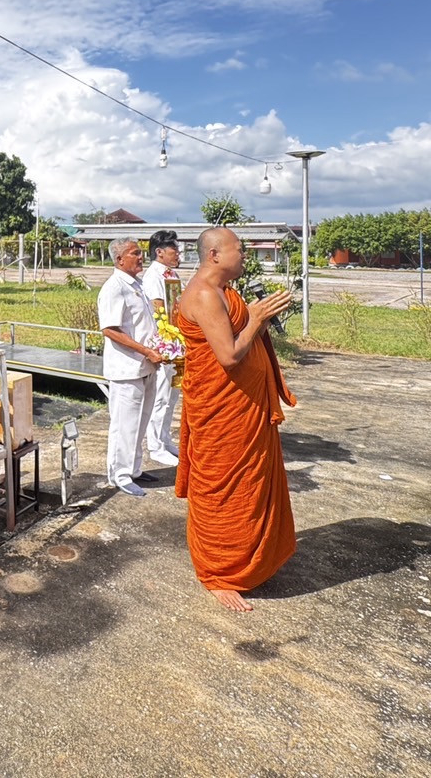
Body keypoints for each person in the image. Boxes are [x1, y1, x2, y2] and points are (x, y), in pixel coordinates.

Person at [175, 227, 296, 613]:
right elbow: (228, 356)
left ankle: (250, 555)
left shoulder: (226, 290)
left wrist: (257, 316)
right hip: (222, 409)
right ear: (214, 255)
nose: (245, 255)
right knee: (224, 486)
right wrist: (257, 318)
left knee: (250, 484)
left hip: (244, 407)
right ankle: (218, 570)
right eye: (239, 250)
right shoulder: (206, 295)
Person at [98, 238, 166, 498]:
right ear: (119, 260)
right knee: (124, 424)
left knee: (141, 420)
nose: (141, 257)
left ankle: (135, 469)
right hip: (127, 368)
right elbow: (110, 330)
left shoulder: (137, 284)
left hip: (146, 366)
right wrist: (146, 350)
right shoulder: (114, 287)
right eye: (135, 253)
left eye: (140, 252)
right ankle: (120, 474)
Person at [141, 231, 184, 468]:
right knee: (160, 396)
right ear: (160, 252)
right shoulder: (153, 276)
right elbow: (159, 310)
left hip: (179, 341)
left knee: (173, 395)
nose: (177, 253)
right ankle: (155, 445)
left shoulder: (172, 273)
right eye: (173, 249)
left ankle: (165, 439)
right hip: (166, 342)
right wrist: (168, 341)